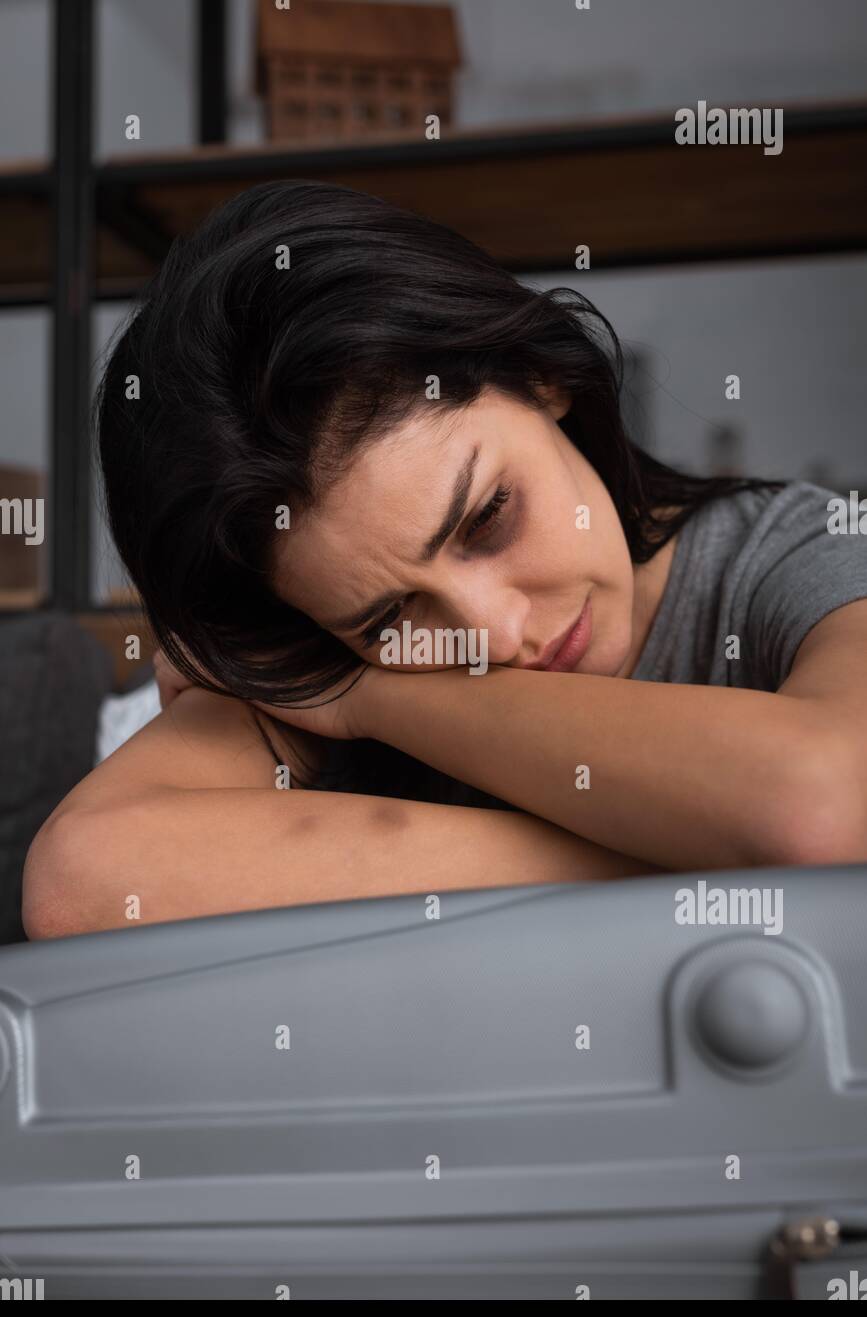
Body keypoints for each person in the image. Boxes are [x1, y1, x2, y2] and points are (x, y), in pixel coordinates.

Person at [22, 180, 867, 937]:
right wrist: (711, 862)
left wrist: (371, 696)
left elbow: (826, 812)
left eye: (488, 516)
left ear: (539, 374)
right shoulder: (303, 655)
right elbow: (86, 884)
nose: (493, 634)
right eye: (389, 618)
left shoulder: (798, 551)